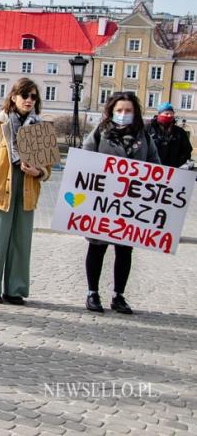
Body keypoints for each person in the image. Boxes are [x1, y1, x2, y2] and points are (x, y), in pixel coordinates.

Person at [0, 78, 51, 306]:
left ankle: (15, 290)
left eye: (33, 97)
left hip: (27, 187)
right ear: (13, 97)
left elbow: (48, 169)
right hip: (0, 186)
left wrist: (38, 171)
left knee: (21, 241)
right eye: (24, 95)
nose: (28, 100)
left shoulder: (39, 127)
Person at [82, 92, 159, 315]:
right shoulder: (101, 133)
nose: (123, 114)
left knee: (125, 250)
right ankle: (92, 292)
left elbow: (155, 164)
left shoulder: (143, 136)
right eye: (119, 110)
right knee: (97, 247)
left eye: (128, 111)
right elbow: (86, 159)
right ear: (111, 111)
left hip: (131, 204)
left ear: (135, 113)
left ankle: (119, 295)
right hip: (102, 203)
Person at [146, 102, 192, 168]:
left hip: (171, 170)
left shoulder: (180, 132)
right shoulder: (147, 128)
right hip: (150, 168)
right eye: (166, 113)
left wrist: (177, 164)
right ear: (159, 114)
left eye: (171, 114)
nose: (169, 116)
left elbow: (187, 151)